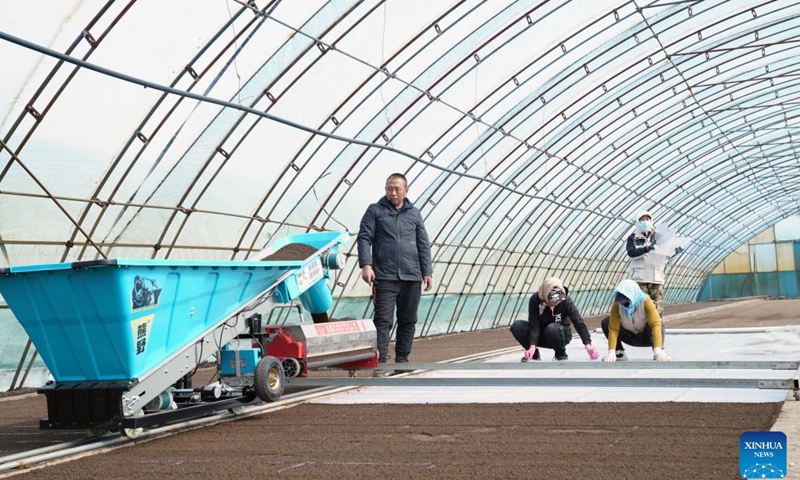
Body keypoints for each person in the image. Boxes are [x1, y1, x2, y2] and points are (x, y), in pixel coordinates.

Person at [357, 173, 433, 376]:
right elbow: (364, 237)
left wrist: (427, 271)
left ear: (406, 191)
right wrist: (366, 265)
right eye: (389, 188)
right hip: (384, 276)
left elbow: (423, 244)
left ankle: (402, 360)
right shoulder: (375, 210)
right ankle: (381, 362)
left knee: (408, 319)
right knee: (383, 321)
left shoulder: (414, 213)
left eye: (397, 189)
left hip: (411, 275)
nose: (392, 192)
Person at [510, 277, 599, 361]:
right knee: (517, 326)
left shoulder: (566, 301)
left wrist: (588, 345)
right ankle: (533, 354)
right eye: (553, 300)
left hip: (560, 334)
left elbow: (579, 323)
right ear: (546, 294)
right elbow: (534, 325)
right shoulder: (535, 300)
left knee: (552, 328)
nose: (556, 303)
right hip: (542, 334)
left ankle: (560, 353)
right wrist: (532, 347)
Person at [625, 210, 683, 316]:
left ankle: (657, 330)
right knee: (642, 308)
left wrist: (674, 252)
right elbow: (631, 253)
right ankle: (643, 331)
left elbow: (663, 255)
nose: (645, 221)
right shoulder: (633, 238)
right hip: (639, 278)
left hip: (656, 278)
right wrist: (647, 248)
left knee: (657, 309)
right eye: (642, 220)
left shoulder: (658, 236)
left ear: (651, 221)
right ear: (638, 222)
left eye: (647, 219)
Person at [601, 279, 671, 362]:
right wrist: (611, 350)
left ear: (633, 296)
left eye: (626, 301)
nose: (623, 304)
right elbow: (613, 329)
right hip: (630, 337)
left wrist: (658, 349)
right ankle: (619, 353)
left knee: (659, 323)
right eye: (621, 301)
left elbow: (655, 324)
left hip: (647, 337)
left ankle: (659, 351)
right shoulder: (617, 304)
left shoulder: (646, 301)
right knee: (606, 322)